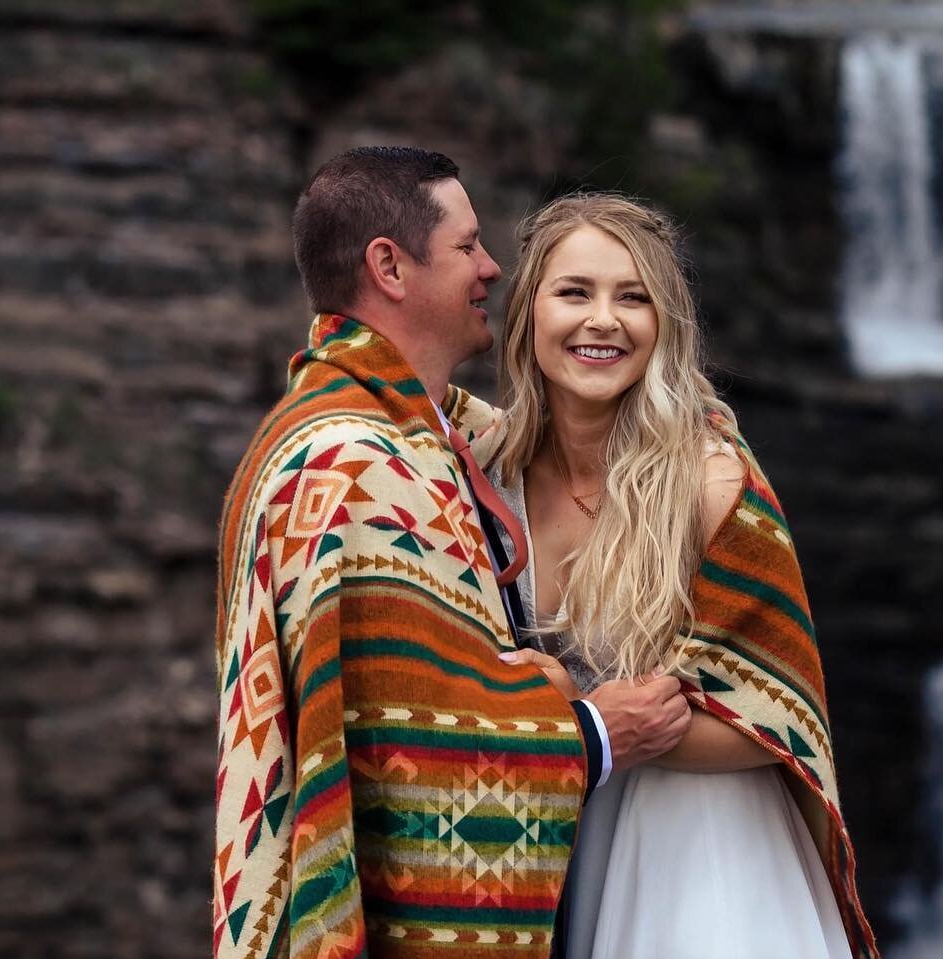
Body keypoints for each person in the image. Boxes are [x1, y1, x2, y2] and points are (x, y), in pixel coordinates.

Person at [212, 147, 692, 959]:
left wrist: (687, 435)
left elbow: (533, 445)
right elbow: (405, 756)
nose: (492, 267)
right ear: (390, 266)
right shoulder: (349, 467)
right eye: (469, 246)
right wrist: (591, 730)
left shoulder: (420, 432)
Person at [476, 194, 879, 959]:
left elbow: (782, 718)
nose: (604, 319)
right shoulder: (490, 471)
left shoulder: (711, 480)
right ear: (527, 312)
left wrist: (586, 714)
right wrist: (582, 727)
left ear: (666, 324)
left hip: (705, 845)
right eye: (575, 292)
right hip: (569, 835)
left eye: (634, 297)